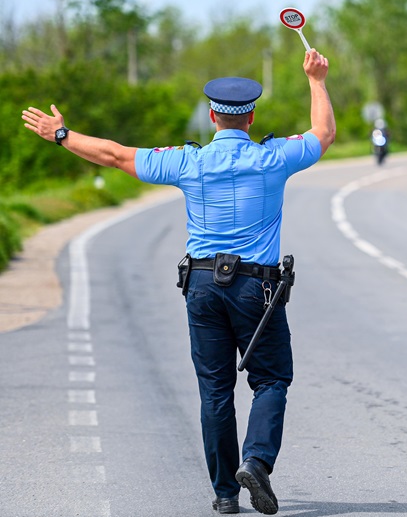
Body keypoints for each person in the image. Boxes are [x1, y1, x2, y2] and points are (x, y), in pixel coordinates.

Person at [21, 49, 335, 515]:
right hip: (257, 289)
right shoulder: (275, 158)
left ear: (211, 116)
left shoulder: (187, 163)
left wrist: (62, 134)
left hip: (203, 286)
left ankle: (226, 493)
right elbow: (324, 133)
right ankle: (257, 460)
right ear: (251, 117)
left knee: (214, 389)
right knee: (270, 379)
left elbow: (113, 154)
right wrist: (316, 79)